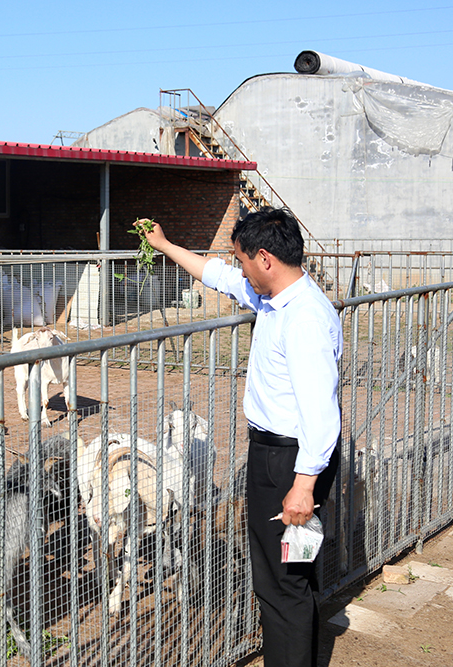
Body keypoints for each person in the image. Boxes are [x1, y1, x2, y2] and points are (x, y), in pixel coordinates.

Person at [140, 207, 342, 667]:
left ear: (265, 258)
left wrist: (303, 485)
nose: (241, 270)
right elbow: (218, 276)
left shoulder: (304, 319)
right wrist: (165, 246)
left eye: (244, 260)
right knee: (294, 571)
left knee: (280, 581)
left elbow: (321, 413)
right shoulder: (277, 298)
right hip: (282, 457)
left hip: (290, 463)